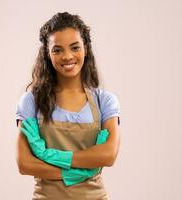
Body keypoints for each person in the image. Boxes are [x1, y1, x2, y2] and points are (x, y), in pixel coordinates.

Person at [15, 12, 121, 200]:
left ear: (85, 49)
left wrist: (47, 155)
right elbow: (24, 163)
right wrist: (75, 172)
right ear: (47, 54)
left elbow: (108, 154)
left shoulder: (104, 101)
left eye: (74, 47)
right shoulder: (32, 101)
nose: (67, 56)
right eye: (57, 50)